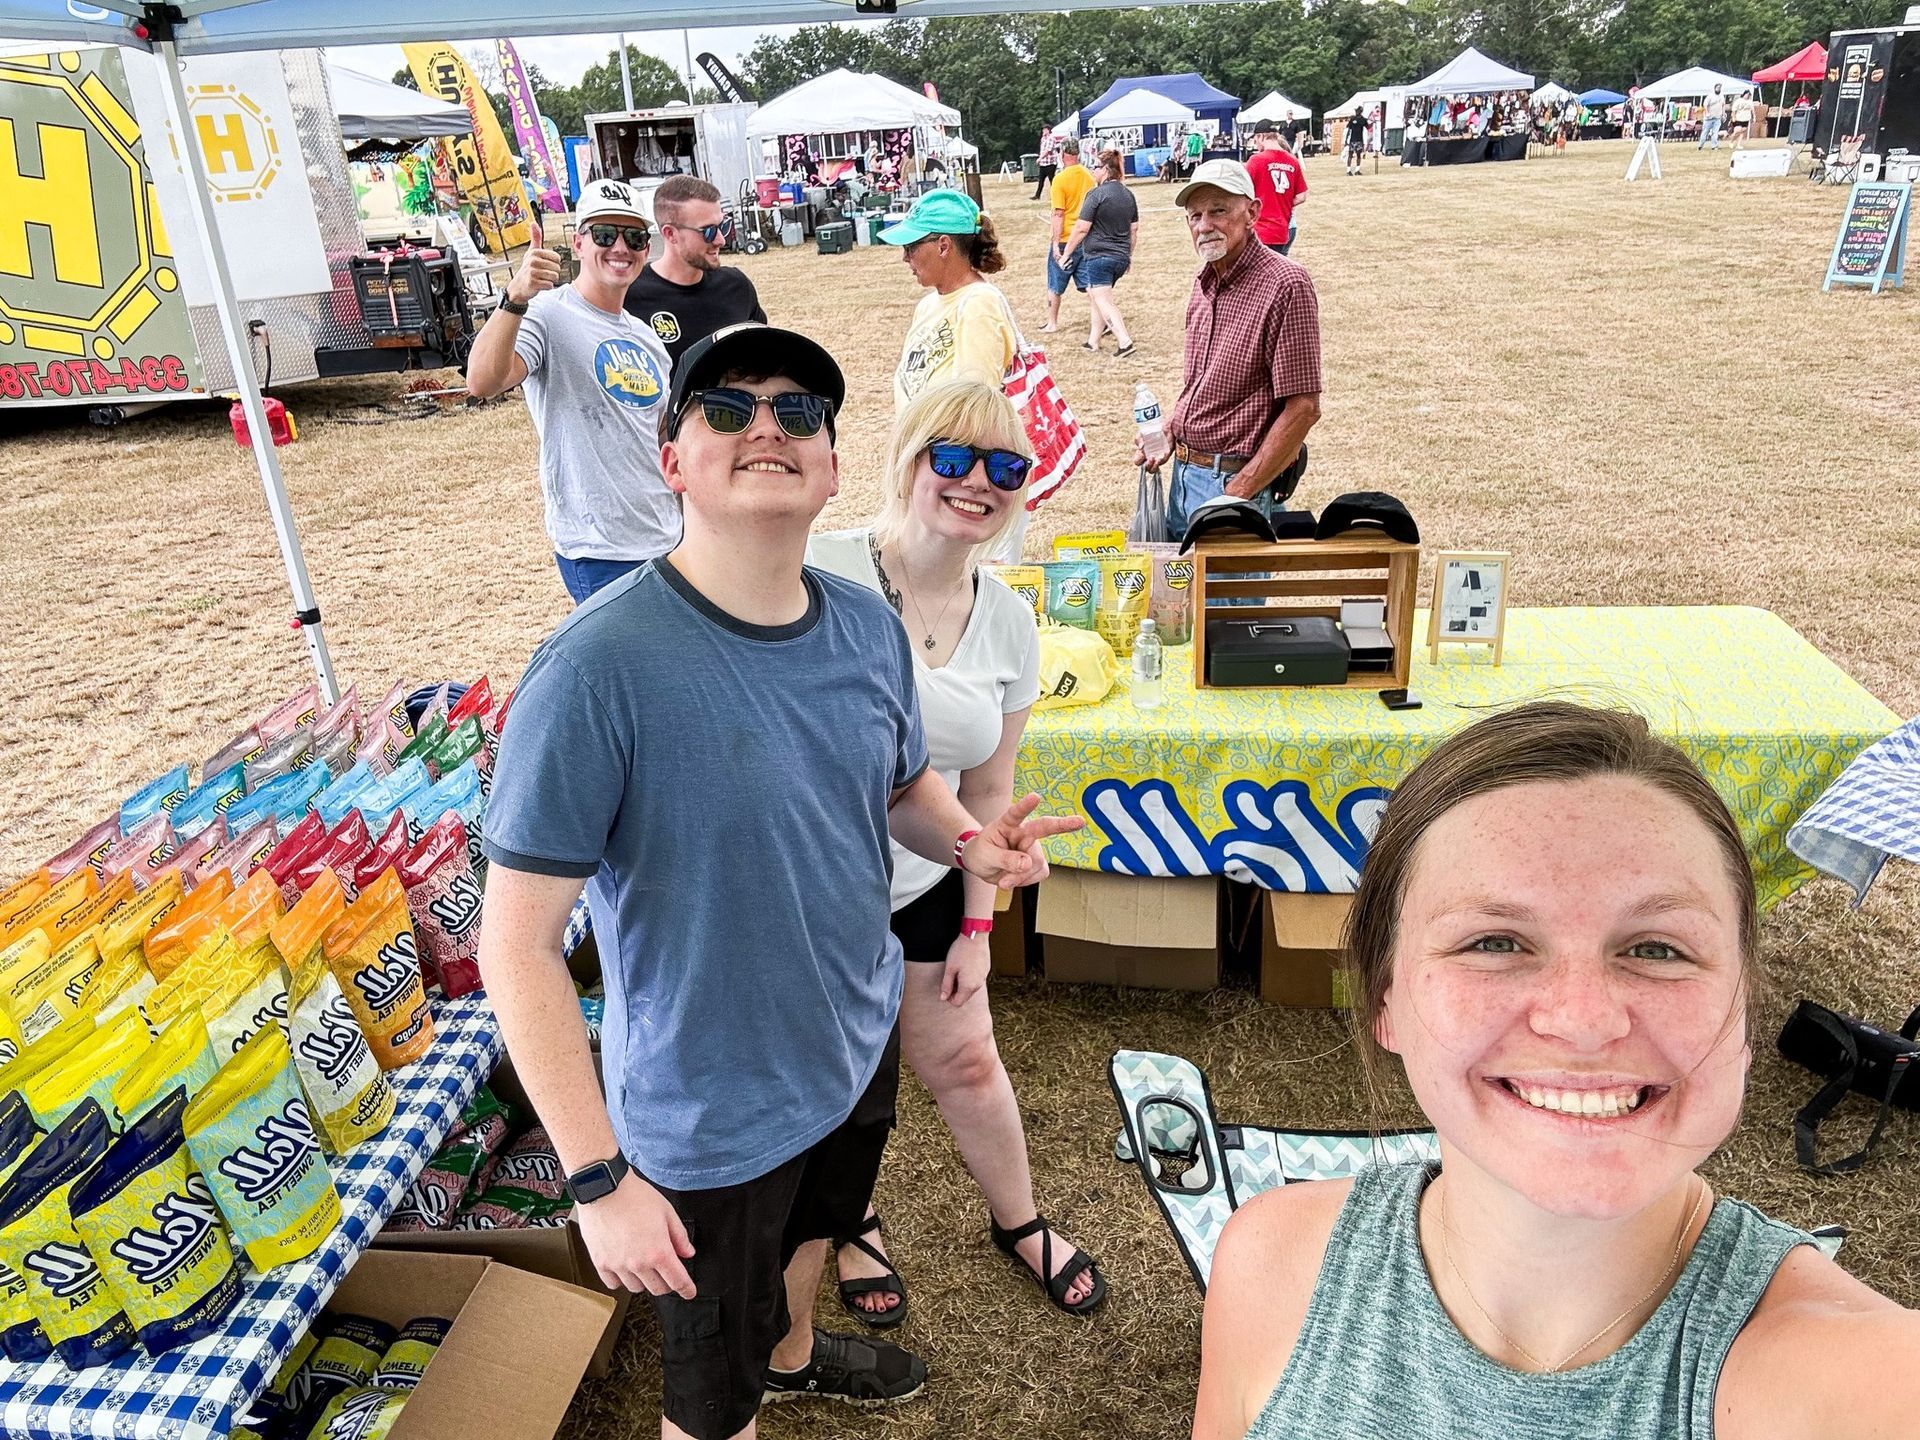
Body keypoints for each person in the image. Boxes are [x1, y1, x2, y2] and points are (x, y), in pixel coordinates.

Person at [478, 323, 1082, 1440]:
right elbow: (513, 947)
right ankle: (757, 1385)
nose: (769, 426)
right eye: (729, 407)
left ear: (835, 466)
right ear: (672, 460)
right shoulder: (595, 669)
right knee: (710, 1409)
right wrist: (599, 1178)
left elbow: (902, 781)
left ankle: (796, 1355)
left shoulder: (862, 624)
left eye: (800, 413)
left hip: (852, 1043)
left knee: (815, 1236)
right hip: (712, 1110)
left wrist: (968, 845)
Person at [1192, 702, 1920, 1440]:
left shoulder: (1859, 1383)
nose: (1583, 1019)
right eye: (1496, 941)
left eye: (1659, 949)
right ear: (1387, 1002)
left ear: (1744, 1012)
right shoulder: (1272, 1263)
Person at [801, 379, 1107, 1332]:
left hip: (932, 876)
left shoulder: (1009, 619)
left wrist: (978, 926)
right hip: (813, 888)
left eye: (1004, 467)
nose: (979, 482)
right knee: (841, 1083)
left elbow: (986, 797)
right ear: (908, 461)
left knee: (966, 1060)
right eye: (954, 457)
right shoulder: (820, 568)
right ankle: (853, 1225)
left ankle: (1018, 1221)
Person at [467, 177, 676, 605]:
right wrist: (514, 298)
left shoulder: (647, 339)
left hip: (668, 538)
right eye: (604, 234)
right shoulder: (547, 314)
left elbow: (661, 439)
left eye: (634, 237)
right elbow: (483, 381)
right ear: (578, 243)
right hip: (599, 549)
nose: (620, 247)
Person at [1136, 159, 1322, 540]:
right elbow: (1202, 384)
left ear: (1252, 212)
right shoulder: (1204, 282)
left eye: (1219, 210)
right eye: (1195, 215)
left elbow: (1304, 409)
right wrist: (1171, 430)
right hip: (1183, 480)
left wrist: (1236, 493)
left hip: (1235, 486)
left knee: (1226, 601)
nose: (1205, 225)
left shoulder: (1286, 284)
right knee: (1179, 601)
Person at [621, 175, 766, 370]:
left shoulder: (737, 287)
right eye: (708, 231)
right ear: (670, 234)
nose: (721, 240)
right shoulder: (628, 296)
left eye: (723, 225)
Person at [1058, 149, 1139, 356]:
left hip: (1099, 256)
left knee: (1103, 300)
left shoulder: (1096, 194)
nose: (1092, 170)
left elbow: (1081, 228)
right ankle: (1093, 341)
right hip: (1120, 257)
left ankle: (1124, 341)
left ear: (1105, 170)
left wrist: (1066, 253)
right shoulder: (1128, 195)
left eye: (1095, 166)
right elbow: (1134, 230)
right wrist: (1128, 255)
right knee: (1096, 295)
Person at [1041, 138, 1095, 333]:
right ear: (1078, 153)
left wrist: (1055, 244)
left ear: (1063, 154)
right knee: (1089, 283)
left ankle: (1052, 322)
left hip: (1065, 238)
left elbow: (1058, 213)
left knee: (1055, 283)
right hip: (1085, 236)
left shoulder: (1060, 179)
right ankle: (1102, 316)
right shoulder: (1089, 176)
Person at [1247, 128, 1308, 253]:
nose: (1256, 145)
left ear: (1261, 136)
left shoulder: (1256, 160)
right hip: (1282, 231)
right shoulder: (1293, 161)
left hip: (1260, 232)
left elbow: (1242, 190)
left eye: (1255, 140)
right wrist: (1282, 203)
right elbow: (1301, 196)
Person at [1033, 124, 1061, 201]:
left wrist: (1039, 158)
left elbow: (1048, 151)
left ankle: (1056, 196)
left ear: (1048, 130)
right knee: (1041, 180)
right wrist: (1041, 159)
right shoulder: (1043, 139)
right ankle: (1037, 195)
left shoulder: (1051, 138)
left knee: (1052, 181)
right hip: (1043, 163)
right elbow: (1042, 150)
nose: (1043, 131)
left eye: (1044, 130)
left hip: (1050, 163)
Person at [1700, 84, 1726, 149]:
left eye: (1720, 88)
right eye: (1717, 88)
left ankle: (1714, 146)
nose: (1718, 89)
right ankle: (1701, 145)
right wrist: (1707, 113)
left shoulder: (1722, 96)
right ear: (1714, 88)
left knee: (1715, 132)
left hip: (1717, 117)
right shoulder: (1710, 96)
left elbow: (1723, 105)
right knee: (1705, 132)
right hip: (1709, 118)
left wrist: (1723, 114)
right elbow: (1705, 105)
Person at [1345, 107, 1367, 175]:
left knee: (1358, 155)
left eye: (1358, 111)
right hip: (1352, 140)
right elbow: (1348, 129)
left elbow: (1368, 127)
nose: (1356, 112)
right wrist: (1346, 139)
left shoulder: (1363, 120)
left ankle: (1357, 170)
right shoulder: (1352, 119)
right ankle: (1348, 170)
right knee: (1350, 155)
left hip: (1359, 140)